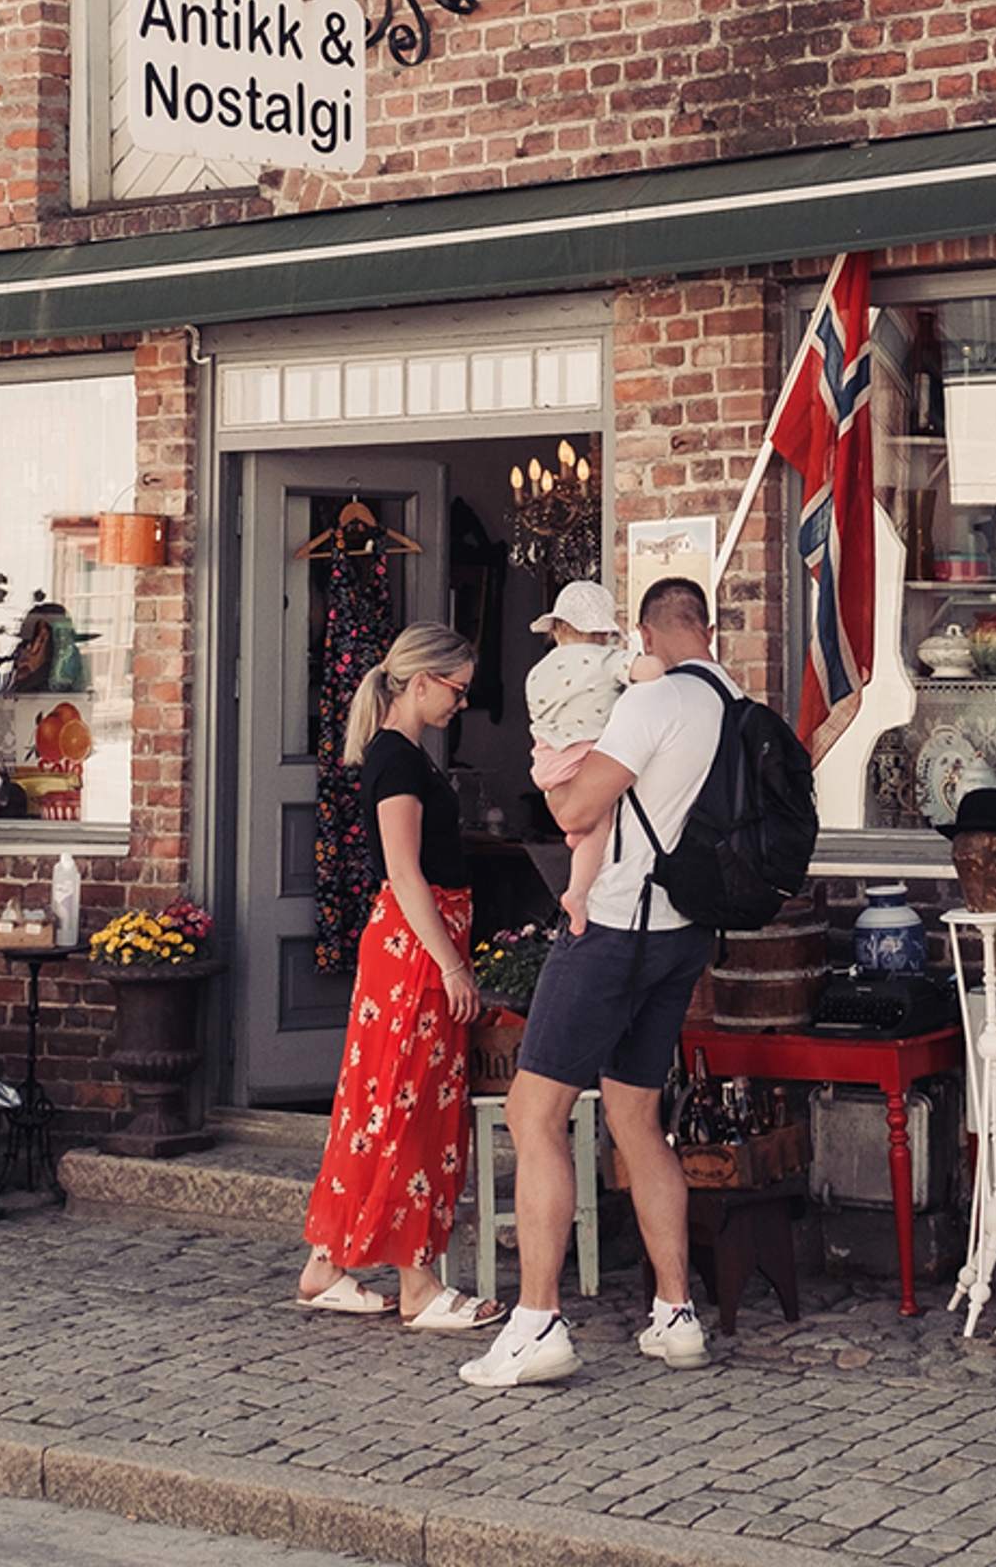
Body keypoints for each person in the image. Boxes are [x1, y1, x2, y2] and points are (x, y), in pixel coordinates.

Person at [460, 575, 731, 1389]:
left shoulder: (648, 704)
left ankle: (537, 1321)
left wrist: (557, 782)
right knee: (637, 1117)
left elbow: (578, 812)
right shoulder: (730, 700)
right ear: (706, 627)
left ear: (643, 632)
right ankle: (676, 1315)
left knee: (531, 1112)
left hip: (615, 926)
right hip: (686, 932)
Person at [292, 622, 506, 1335]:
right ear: (421, 682)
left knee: (383, 1102)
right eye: (457, 689)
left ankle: (327, 1266)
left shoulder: (402, 755)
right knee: (410, 1106)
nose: (461, 704)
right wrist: (450, 962)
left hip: (415, 941)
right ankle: (418, 1284)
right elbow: (405, 871)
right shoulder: (397, 761)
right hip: (417, 947)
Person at [520, 579, 659, 929]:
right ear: (601, 631)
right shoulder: (602, 658)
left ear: (557, 628)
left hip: (547, 760)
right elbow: (652, 672)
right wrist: (639, 658)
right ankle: (578, 892)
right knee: (602, 821)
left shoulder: (539, 670)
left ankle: (580, 848)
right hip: (584, 754)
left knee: (580, 824)